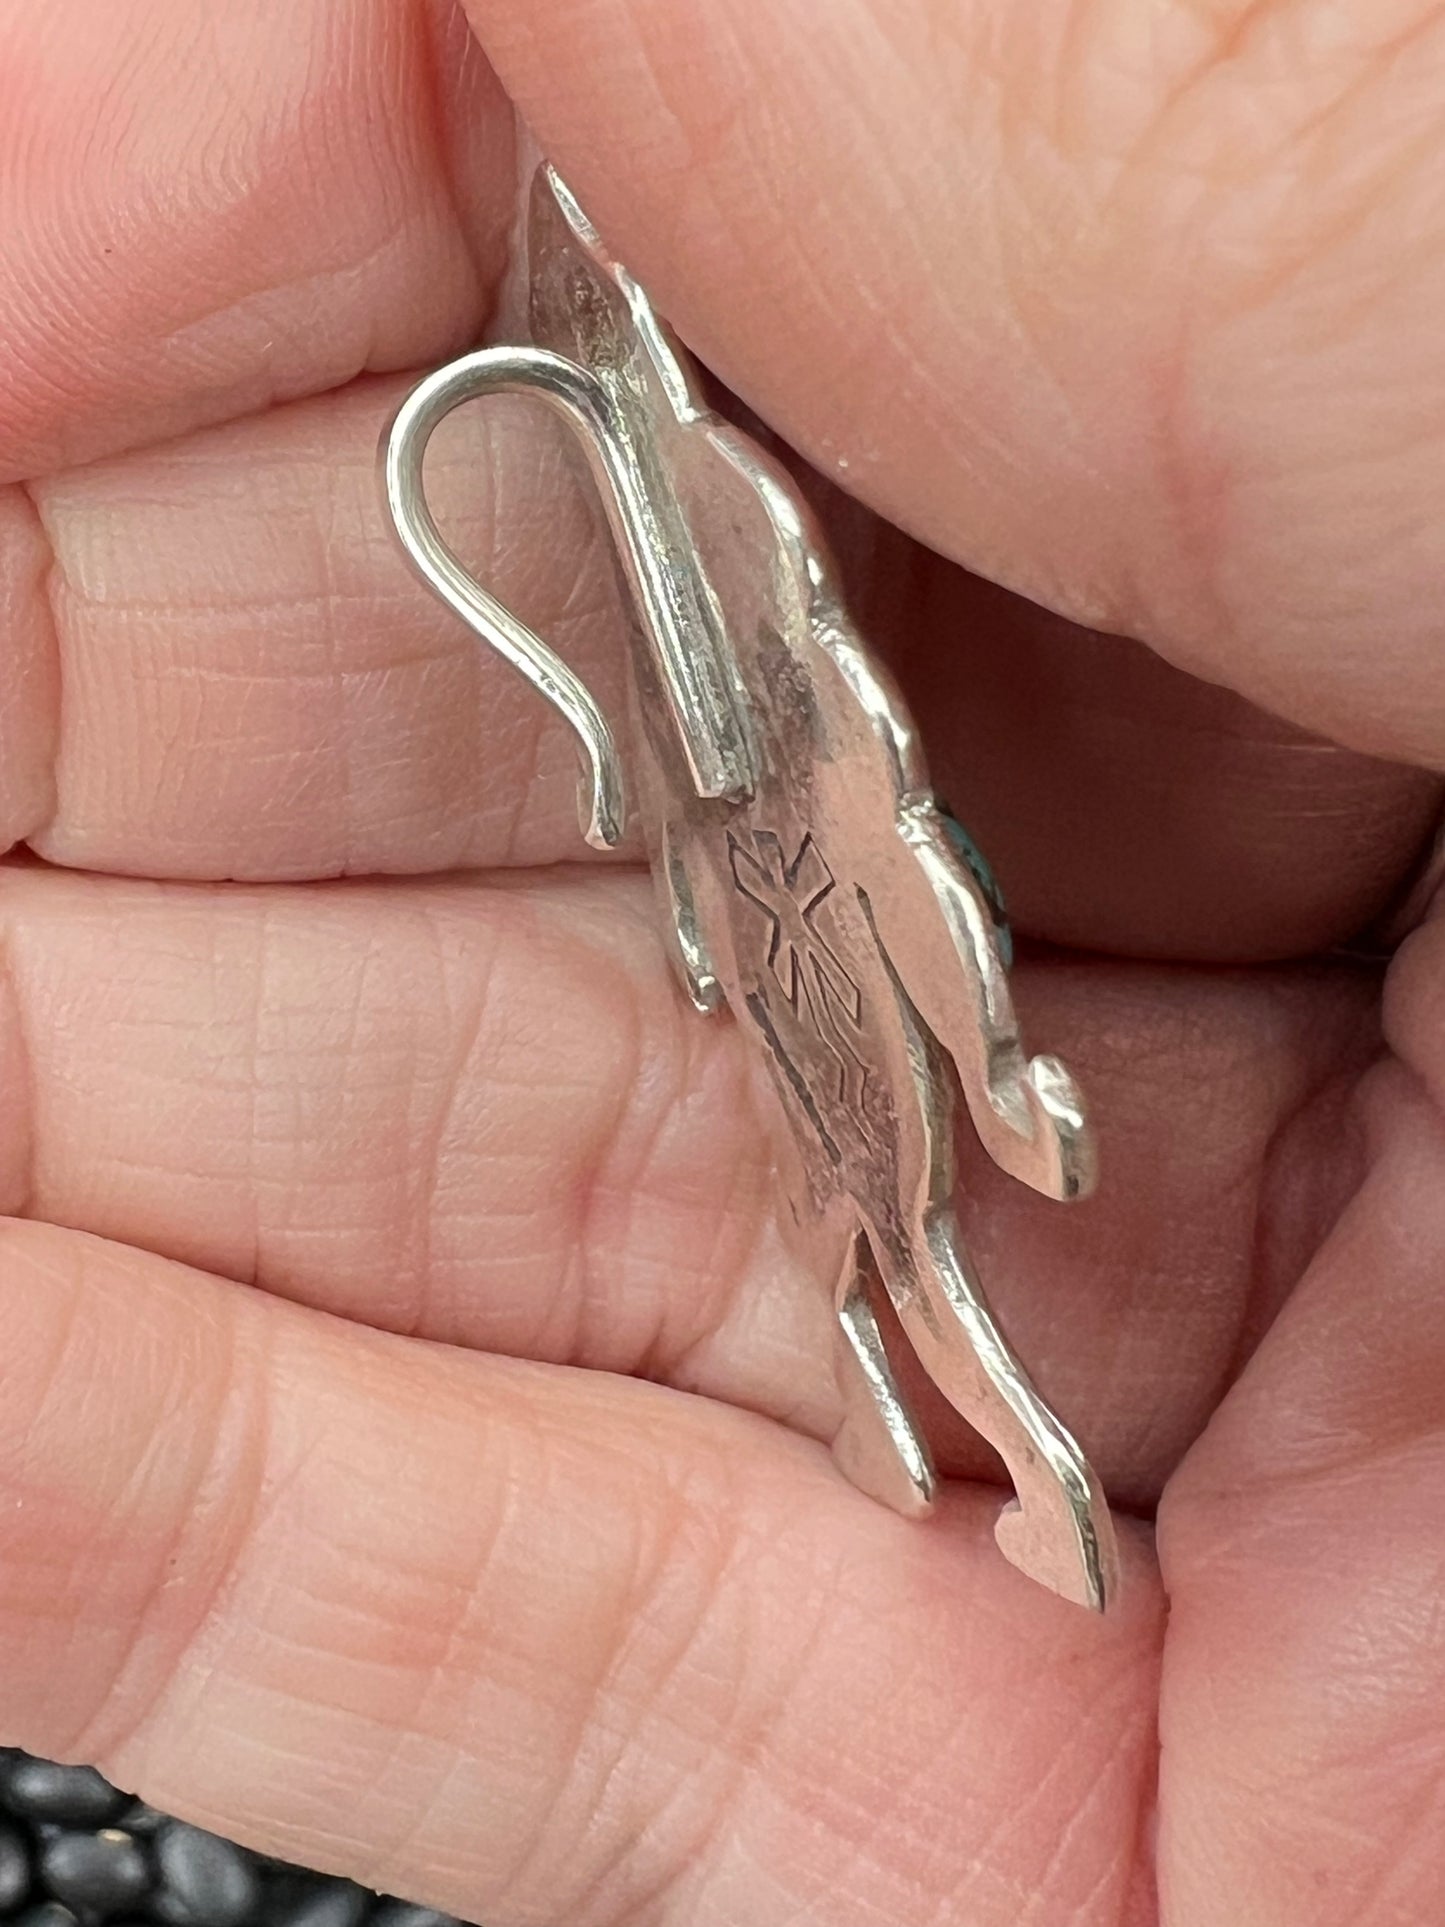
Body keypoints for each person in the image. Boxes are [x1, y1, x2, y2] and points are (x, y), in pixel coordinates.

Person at [0, 3, 1440, 1923]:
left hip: (831, 910)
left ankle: (1003, 1460)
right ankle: (929, 1429)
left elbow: (891, 859)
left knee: (905, 1231)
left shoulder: (791, 673)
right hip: (775, 917)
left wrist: (997, 1077)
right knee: (867, 1241)